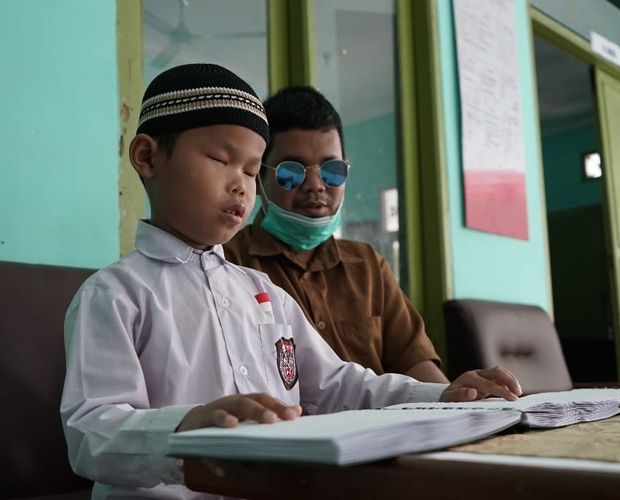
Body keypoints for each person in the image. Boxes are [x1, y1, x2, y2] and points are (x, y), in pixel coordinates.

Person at [60, 63, 522, 499]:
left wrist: (441, 396)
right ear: (147, 157)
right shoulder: (116, 295)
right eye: (221, 160)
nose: (241, 185)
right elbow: (90, 429)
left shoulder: (267, 297)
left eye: (249, 169)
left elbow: (340, 385)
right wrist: (185, 429)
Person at [223, 86, 448, 383]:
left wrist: (463, 402)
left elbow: (416, 366)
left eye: (332, 171)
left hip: (380, 427)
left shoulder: (368, 266)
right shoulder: (228, 265)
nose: (316, 186)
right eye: (292, 172)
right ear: (259, 175)